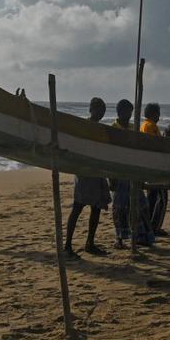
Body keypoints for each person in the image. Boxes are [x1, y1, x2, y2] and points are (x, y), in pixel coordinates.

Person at [65, 97, 111, 258]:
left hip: (96, 171)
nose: (101, 113)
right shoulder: (83, 127)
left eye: (103, 111)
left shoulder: (100, 129)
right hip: (85, 171)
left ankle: (90, 243)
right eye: (98, 110)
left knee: (96, 208)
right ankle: (68, 245)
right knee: (77, 207)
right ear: (91, 110)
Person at [109, 99, 153, 248]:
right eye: (126, 112)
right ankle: (119, 238)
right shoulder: (114, 128)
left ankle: (143, 236)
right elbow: (111, 155)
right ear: (119, 112)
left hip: (133, 172)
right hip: (120, 173)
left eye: (131, 112)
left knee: (141, 205)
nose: (129, 115)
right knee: (120, 207)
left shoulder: (134, 128)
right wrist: (111, 177)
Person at [140, 102, 170, 236]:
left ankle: (150, 225)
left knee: (152, 198)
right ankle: (155, 226)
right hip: (155, 167)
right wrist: (167, 135)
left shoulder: (144, 125)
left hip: (149, 166)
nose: (159, 117)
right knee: (162, 198)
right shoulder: (150, 126)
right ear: (154, 114)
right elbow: (156, 144)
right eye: (158, 114)